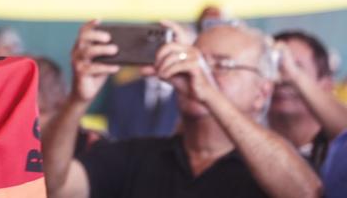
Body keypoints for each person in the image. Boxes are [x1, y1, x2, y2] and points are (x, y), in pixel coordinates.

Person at [43, 20, 322, 198]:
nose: (197, 73)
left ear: (262, 93)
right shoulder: (135, 157)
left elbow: (307, 193)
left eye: (222, 65)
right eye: (195, 60)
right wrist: (77, 100)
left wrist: (209, 93)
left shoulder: (273, 167)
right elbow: (53, 188)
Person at [268, 30, 347, 171]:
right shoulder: (244, 147)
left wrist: (295, 75)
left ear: (327, 86)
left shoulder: (338, 150)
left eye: (297, 66)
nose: (281, 79)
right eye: (273, 67)